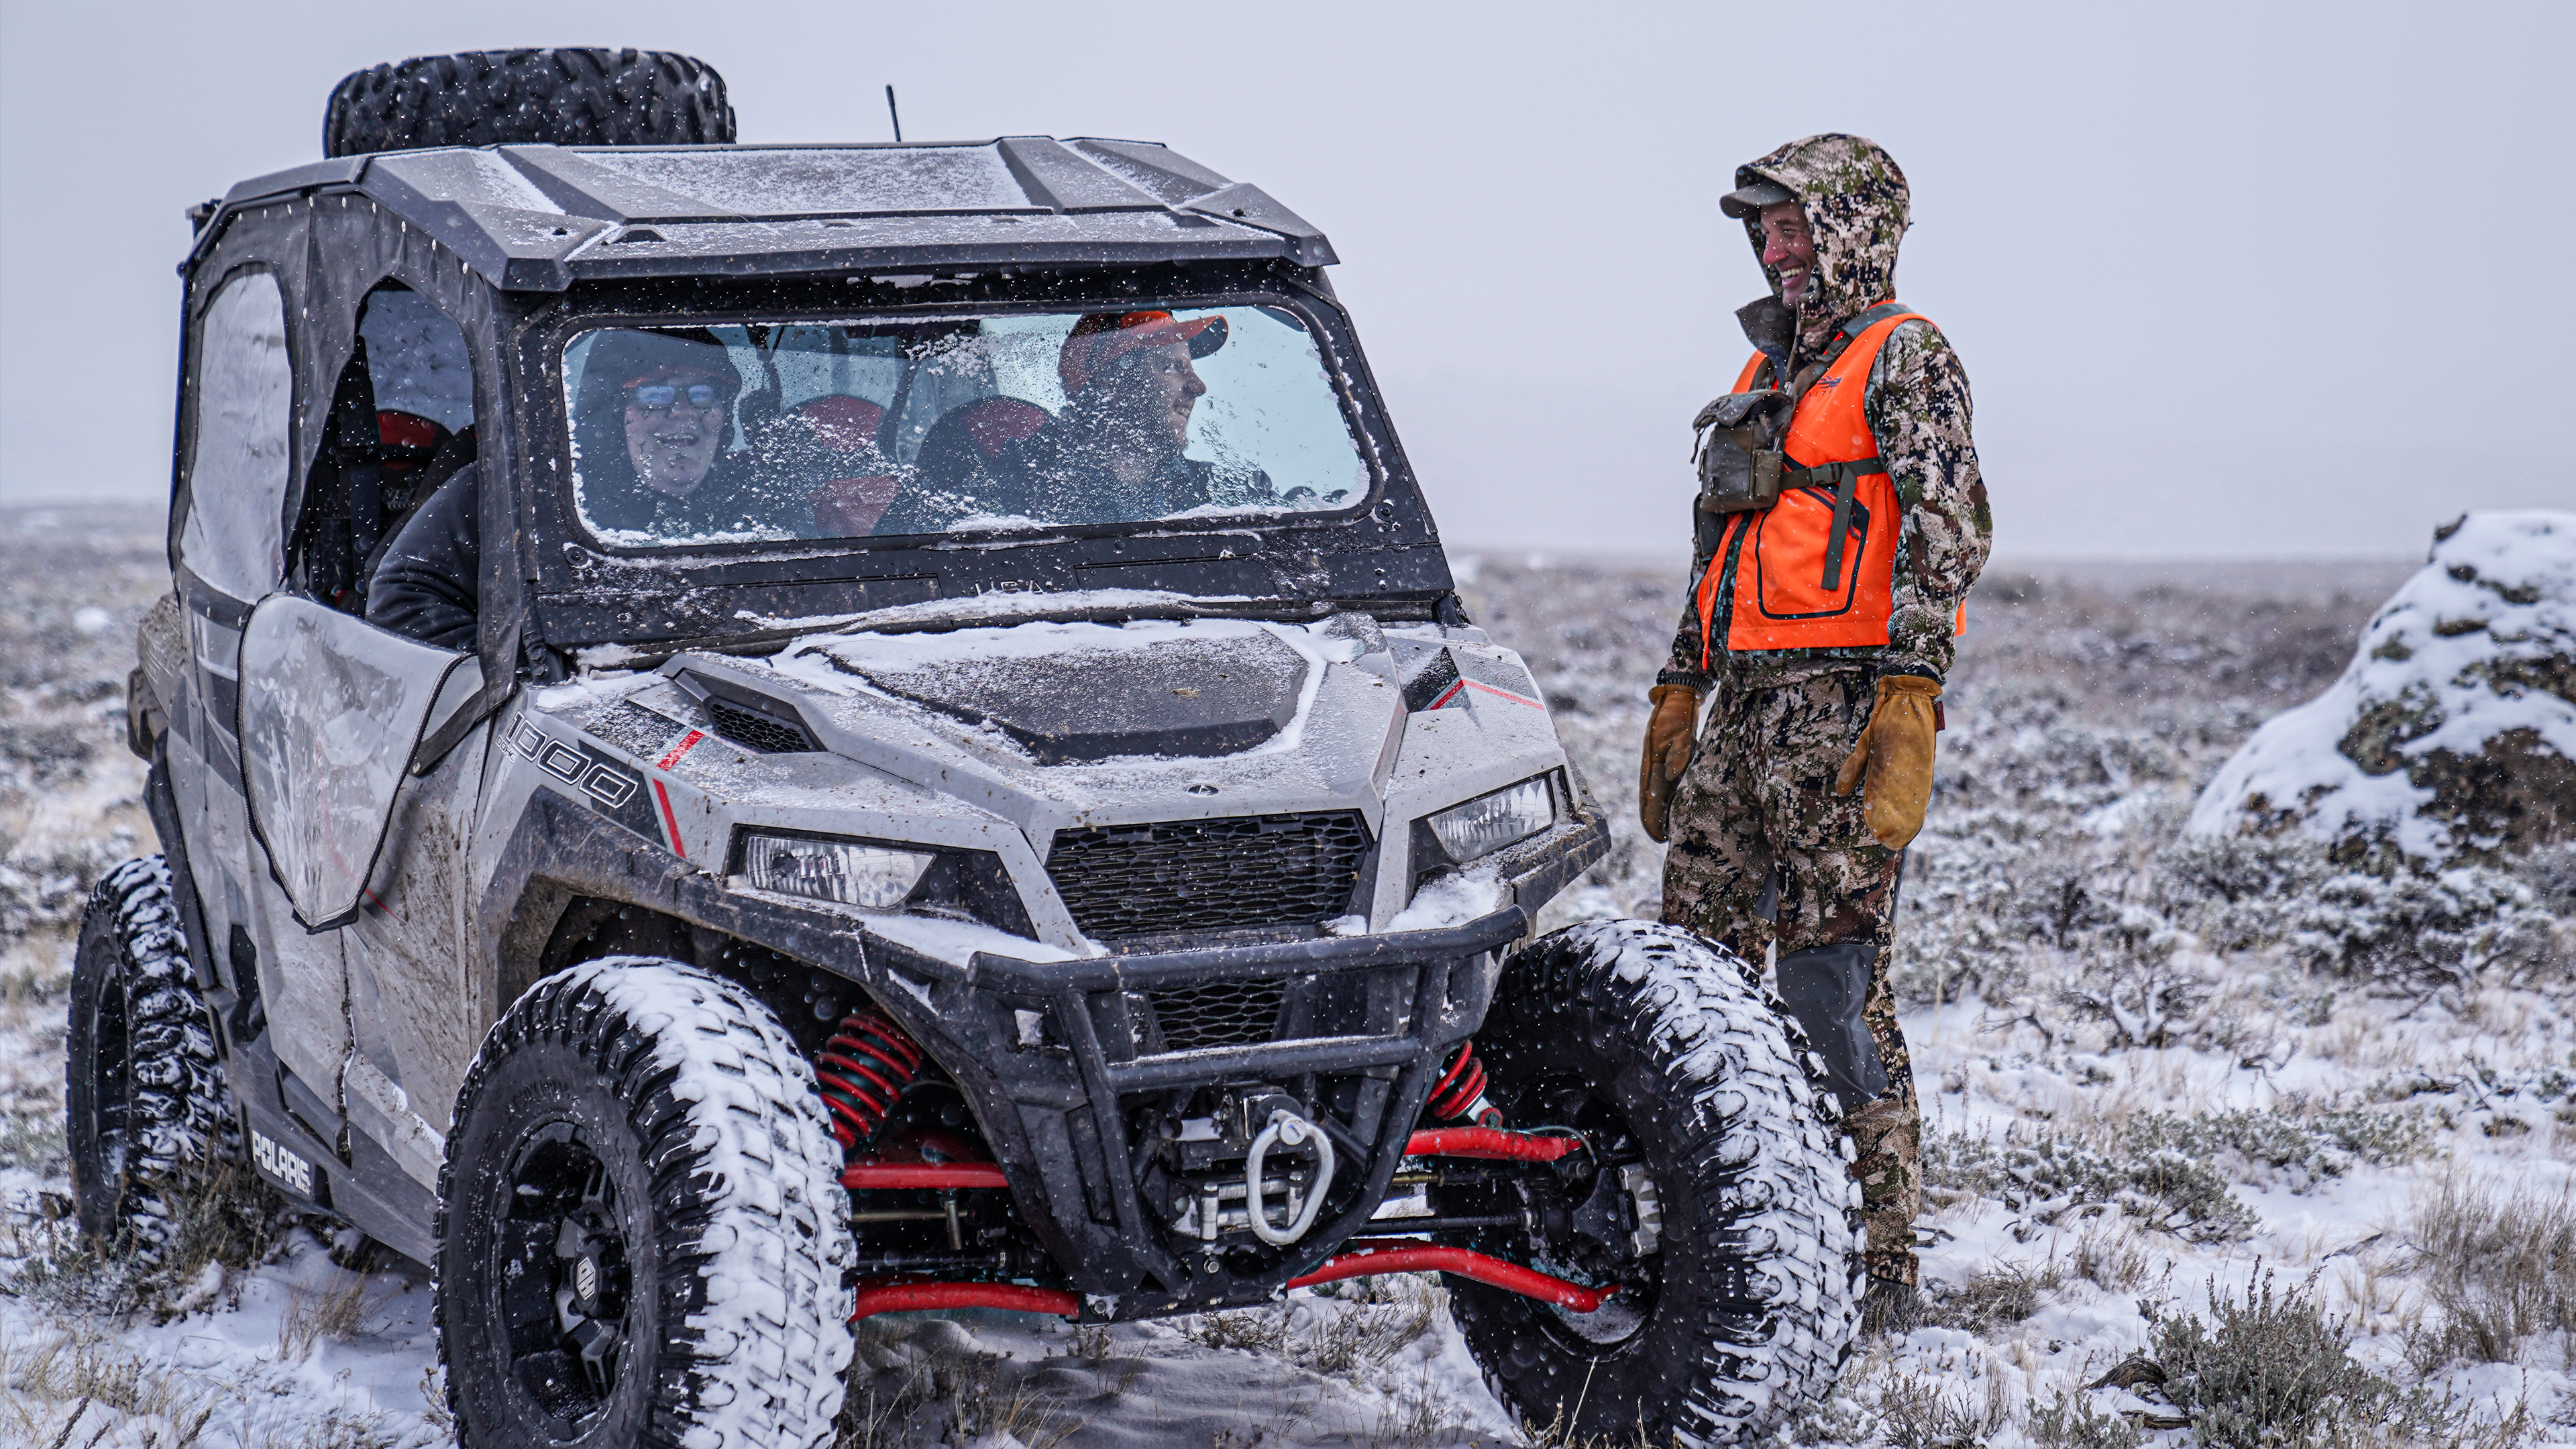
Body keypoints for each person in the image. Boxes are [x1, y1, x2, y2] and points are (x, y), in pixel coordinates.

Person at [1638, 134, 1991, 1322]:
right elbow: (1718, 549)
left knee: (1830, 986)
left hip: (1843, 714)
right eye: (1766, 233)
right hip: (1742, 716)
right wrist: (1681, 688)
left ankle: (1880, 1262)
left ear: (1856, 229)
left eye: (1797, 229)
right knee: (1692, 984)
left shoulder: (1908, 358)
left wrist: (1908, 696)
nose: (1778, 251)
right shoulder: (1765, 366)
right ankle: (1706, 1228)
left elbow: (1950, 529)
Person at [370, 329, 768, 649]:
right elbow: (401, 599)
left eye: (704, 395)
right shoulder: (523, 491)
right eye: (655, 395)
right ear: (613, 412)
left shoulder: (757, 496)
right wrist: (518, 670)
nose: (683, 412)